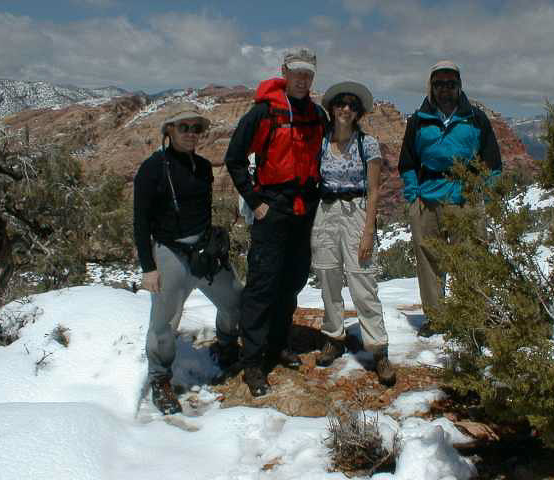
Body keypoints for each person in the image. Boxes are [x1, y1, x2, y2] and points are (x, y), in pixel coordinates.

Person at [224, 48, 326, 396]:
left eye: (307, 74)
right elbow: (235, 158)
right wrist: (255, 202)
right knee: (263, 284)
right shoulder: (264, 112)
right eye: (296, 72)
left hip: (304, 207)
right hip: (273, 206)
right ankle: (253, 361)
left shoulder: (317, 114)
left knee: (292, 280)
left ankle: (278, 344)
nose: (302, 79)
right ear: (284, 71)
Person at [134, 108, 242, 414]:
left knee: (235, 300)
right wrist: (148, 268)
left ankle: (226, 344)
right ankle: (160, 379)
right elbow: (140, 222)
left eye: (197, 128)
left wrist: (215, 243)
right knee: (164, 323)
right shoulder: (152, 169)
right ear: (169, 130)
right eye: (184, 127)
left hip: (204, 249)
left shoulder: (203, 167)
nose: (191, 133)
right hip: (170, 251)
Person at [399, 60, 502, 337]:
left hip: (465, 197)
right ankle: (437, 318)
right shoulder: (418, 120)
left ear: (459, 86)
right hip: (427, 197)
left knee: (471, 257)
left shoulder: (475, 119)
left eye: (451, 84)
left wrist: (483, 195)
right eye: (439, 84)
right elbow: (407, 162)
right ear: (431, 87)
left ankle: (474, 316)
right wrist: (413, 196)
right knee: (428, 259)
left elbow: (492, 162)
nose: (445, 89)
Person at [312, 81, 396, 387]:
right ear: (332, 108)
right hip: (325, 212)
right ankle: (334, 337)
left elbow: (374, 190)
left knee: (362, 280)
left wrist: (368, 230)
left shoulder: (367, 144)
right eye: (341, 103)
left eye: (352, 105)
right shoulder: (321, 141)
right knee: (328, 277)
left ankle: (378, 348)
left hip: (356, 212)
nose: (346, 109)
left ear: (358, 112)